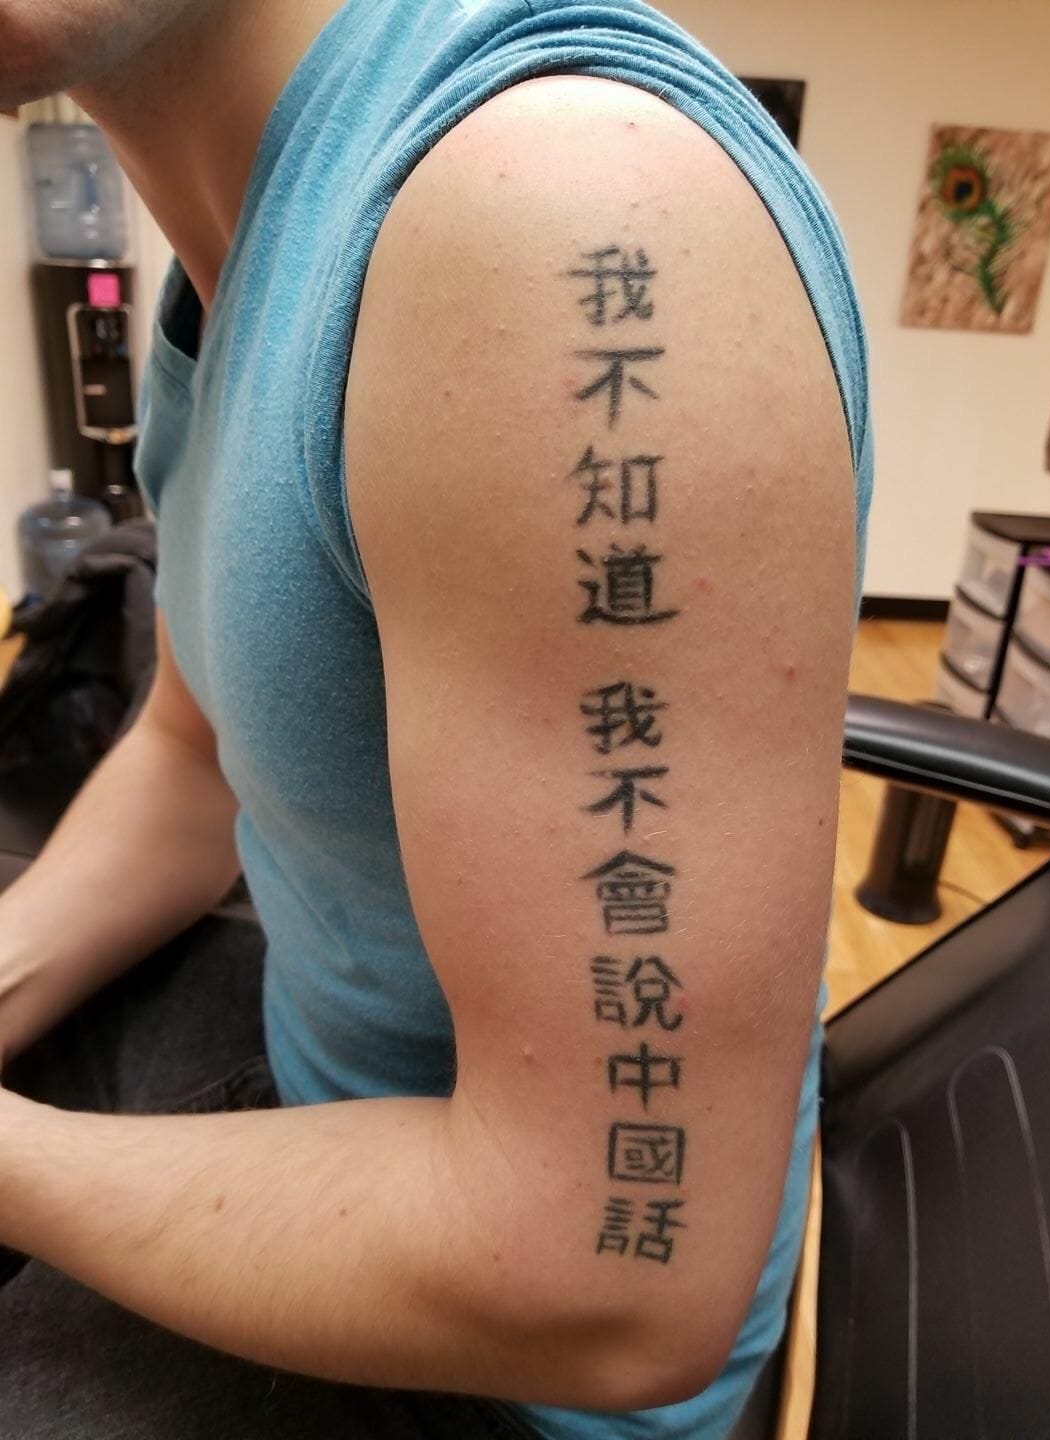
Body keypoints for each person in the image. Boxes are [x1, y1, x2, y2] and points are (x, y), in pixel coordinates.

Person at [0, 1, 872, 1436]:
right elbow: (191, 754)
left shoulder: (556, 207)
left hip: (506, 1372)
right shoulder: (229, 251)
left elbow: (610, 1290)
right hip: (309, 1078)